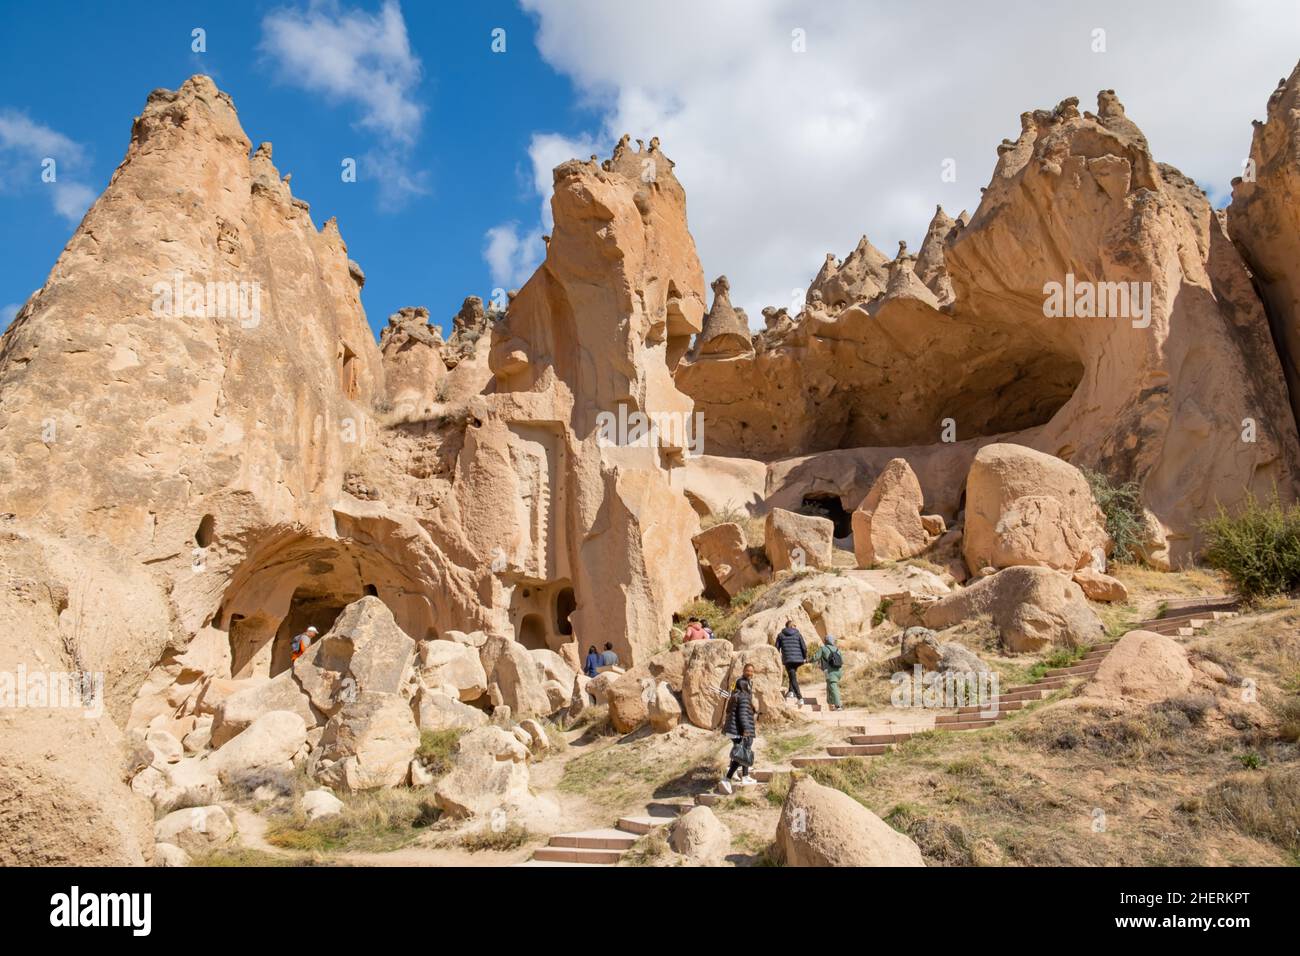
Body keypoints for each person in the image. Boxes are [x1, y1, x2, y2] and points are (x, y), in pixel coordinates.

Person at [719, 663, 758, 794]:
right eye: (748, 671)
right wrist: (746, 730)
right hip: (738, 729)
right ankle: (727, 778)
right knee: (741, 753)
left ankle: (744, 776)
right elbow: (742, 715)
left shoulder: (737, 695)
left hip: (733, 729)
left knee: (742, 750)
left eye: (752, 671)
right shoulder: (743, 696)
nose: (750, 673)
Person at [775, 620, 807, 704]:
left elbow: (776, 648)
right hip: (798, 660)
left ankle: (800, 698)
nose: (795, 627)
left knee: (792, 676)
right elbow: (804, 647)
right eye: (794, 625)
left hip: (788, 659)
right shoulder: (798, 634)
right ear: (791, 626)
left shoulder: (780, 635)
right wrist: (804, 657)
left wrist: (777, 659)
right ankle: (791, 691)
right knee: (792, 674)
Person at [810, 633, 844, 711]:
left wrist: (809, 660)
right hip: (838, 671)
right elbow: (842, 661)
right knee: (829, 687)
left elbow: (816, 657)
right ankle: (831, 705)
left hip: (830, 672)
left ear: (826, 641)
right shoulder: (837, 649)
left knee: (833, 687)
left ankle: (838, 705)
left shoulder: (823, 648)